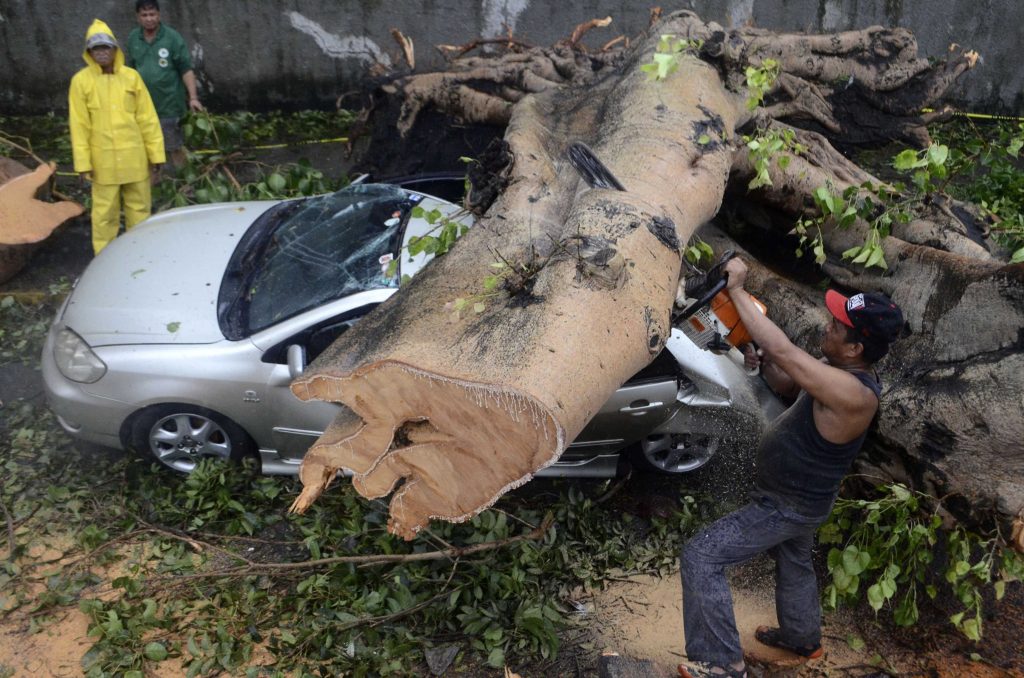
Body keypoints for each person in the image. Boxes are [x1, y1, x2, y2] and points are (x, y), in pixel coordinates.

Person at [676, 257, 904, 678]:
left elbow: (785, 350)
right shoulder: (837, 373)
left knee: (701, 556)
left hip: (786, 505)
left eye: (837, 327)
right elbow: (787, 379)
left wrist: (738, 291)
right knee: (794, 560)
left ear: (856, 348)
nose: (827, 326)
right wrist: (758, 363)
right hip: (801, 501)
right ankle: (803, 640)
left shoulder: (856, 394)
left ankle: (723, 664)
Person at [69, 19, 165, 255]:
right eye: (96, 49)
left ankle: (140, 255)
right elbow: (79, 125)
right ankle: (104, 259)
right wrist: (83, 163)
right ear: (89, 52)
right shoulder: (81, 82)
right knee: (104, 215)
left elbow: (148, 119)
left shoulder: (131, 78)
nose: (102, 53)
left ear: (115, 49)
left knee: (140, 210)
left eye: (106, 47)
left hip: (135, 158)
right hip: (104, 164)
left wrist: (156, 156)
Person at [124, 0, 203, 168]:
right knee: (148, 148)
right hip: (143, 107)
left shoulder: (172, 37)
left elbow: (186, 70)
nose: (149, 19)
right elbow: (128, 72)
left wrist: (193, 98)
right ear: (138, 17)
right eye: (144, 15)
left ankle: (185, 183)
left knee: (175, 146)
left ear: (159, 15)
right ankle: (155, 185)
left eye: (152, 14)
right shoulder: (133, 38)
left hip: (170, 105)